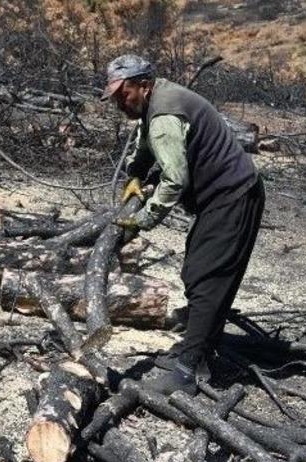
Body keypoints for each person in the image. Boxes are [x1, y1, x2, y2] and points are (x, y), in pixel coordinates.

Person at [103, 54, 266, 394]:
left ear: (144, 85)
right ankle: (200, 351)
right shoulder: (157, 100)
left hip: (233, 196)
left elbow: (175, 180)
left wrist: (143, 220)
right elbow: (145, 139)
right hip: (224, 197)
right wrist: (135, 172)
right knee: (198, 272)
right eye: (115, 95)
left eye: (124, 94)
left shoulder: (164, 112)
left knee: (207, 277)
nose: (119, 102)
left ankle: (187, 371)